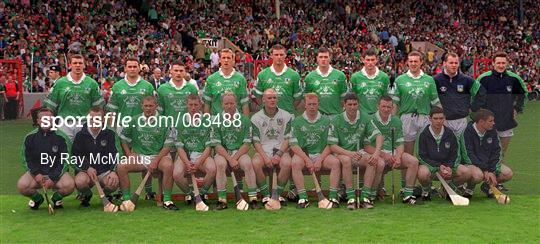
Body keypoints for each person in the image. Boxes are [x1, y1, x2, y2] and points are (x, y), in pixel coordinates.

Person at [106, 57, 156, 199]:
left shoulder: (147, 86)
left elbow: (152, 107)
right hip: (122, 128)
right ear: (125, 68)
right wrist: (111, 129)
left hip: (143, 127)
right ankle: (122, 191)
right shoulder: (117, 86)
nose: (132, 69)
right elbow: (111, 111)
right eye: (130, 66)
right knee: (122, 159)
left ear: (139, 68)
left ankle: (148, 190)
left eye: (135, 66)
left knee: (145, 156)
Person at [117, 96, 178, 210]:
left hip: (159, 156)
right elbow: (123, 137)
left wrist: (156, 160)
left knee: (169, 165)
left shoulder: (165, 120)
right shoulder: (134, 120)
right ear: (142, 106)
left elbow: (168, 145)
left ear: (156, 106)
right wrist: (129, 154)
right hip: (141, 157)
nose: (148, 108)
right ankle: (126, 199)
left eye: (151, 106)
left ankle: (167, 200)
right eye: (146, 106)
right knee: (121, 167)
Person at [329, 93, 384, 209]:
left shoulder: (365, 117)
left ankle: (365, 197)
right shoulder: (336, 119)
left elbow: (379, 135)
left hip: (359, 152)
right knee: (346, 160)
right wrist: (349, 153)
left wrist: (376, 153)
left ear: (358, 104)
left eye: (355, 104)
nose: (352, 107)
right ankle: (351, 197)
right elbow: (332, 145)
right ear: (344, 105)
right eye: (349, 104)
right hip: (342, 153)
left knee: (372, 161)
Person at [289, 93, 341, 208]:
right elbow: (293, 145)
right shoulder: (296, 121)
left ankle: (332, 197)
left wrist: (319, 160)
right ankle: (303, 198)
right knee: (295, 162)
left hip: (322, 155)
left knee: (335, 163)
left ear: (318, 105)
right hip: (304, 155)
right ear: (305, 105)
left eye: (314, 104)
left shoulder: (327, 120)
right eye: (309, 104)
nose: (312, 107)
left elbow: (330, 144)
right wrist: (307, 159)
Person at [17, 107, 74, 210]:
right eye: (43, 119)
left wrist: (52, 178)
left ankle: (56, 198)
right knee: (22, 185)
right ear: (38, 121)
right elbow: (26, 159)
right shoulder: (30, 137)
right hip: (38, 174)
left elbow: (65, 161)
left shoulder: (62, 137)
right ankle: (37, 199)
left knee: (69, 185)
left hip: (56, 174)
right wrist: (36, 173)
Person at [476, 52, 527, 164]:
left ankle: (496, 179)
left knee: (501, 153)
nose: (501, 65)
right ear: (493, 63)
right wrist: (478, 114)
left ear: (507, 63)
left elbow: (523, 94)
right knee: (485, 152)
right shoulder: (484, 78)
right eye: (498, 63)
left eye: (503, 63)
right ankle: (484, 177)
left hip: (507, 122)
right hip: (487, 124)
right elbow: (475, 97)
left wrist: (517, 109)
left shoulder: (514, 79)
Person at [369, 96, 420, 204]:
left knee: (413, 161)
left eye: (389, 107)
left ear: (392, 108)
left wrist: (398, 157)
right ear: (378, 106)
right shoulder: (370, 119)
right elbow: (366, 145)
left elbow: (400, 143)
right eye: (383, 106)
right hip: (376, 153)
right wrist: (383, 155)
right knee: (380, 163)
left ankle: (407, 195)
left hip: (393, 154)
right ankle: (372, 195)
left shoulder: (396, 120)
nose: (386, 109)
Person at [213, 92, 259, 209]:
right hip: (223, 153)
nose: (229, 106)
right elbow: (217, 145)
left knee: (248, 164)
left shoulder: (245, 120)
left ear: (236, 103)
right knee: (220, 164)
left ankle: (253, 199)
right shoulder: (216, 120)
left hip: (239, 152)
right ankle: (222, 200)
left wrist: (234, 158)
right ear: (222, 104)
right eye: (226, 103)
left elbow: (247, 143)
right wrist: (229, 159)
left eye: (232, 103)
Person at [43, 54, 105, 139]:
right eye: (75, 63)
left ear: (84, 65)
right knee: (65, 150)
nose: (78, 65)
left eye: (80, 63)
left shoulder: (92, 83)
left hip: (85, 123)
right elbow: (50, 106)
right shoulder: (60, 83)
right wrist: (48, 124)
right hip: (65, 123)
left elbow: (99, 107)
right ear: (70, 65)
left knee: (84, 151)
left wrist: (100, 124)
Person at [390, 51, 440, 155]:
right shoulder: (400, 79)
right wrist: (392, 120)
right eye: (411, 61)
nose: (413, 64)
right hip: (407, 118)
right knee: (407, 153)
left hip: (425, 117)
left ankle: (425, 171)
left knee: (427, 152)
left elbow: (436, 101)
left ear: (421, 62)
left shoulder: (429, 80)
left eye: (416, 61)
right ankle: (410, 171)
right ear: (407, 62)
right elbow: (394, 103)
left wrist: (442, 118)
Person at [416, 107, 470, 200]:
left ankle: (448, 189)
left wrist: (449, 166)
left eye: (441, 118)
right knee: (422, 173)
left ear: (444, 118)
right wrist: (438, 166)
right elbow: (421, 156)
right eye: (435, 118)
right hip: (431, 168)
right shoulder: (423, 134)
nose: (438, 121)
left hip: (447, 168)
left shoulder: (450, 133)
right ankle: (427, 190)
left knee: (466, 172)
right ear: (430, 119)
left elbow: (456, 154)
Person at [172, 94, 217, 207]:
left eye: (196, 105)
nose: (193, 107)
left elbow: (209, 147)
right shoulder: (180, 121)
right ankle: (190, 194)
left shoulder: (207, 120)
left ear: (200, 105)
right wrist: (187, 162)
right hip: (185, 156)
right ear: (186, 105)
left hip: (203, 155)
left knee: (212, 169)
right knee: (177, 174)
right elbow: (180, 147)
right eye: (190, 105)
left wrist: (198, 163)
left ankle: (201, 193)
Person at [251, 88, 293, 207]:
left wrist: (279, 154)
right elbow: (256, 142)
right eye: (269, 98)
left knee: (287, 163)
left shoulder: (286, 116)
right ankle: (265, 195)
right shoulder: (255, 118)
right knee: (255, 163)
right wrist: (265, 158)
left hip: (281, 149)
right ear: (263, 100)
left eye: (274, 97)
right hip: (263, 151)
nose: (272, 100)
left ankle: (276, 195)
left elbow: (287, 138)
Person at [72, 107, 120, 207]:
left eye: (97, 119)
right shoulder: (80, 135)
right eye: (91, 119)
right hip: (86, 172)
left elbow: (115, 154)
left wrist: (113, 171)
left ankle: (105, 195)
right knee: (80, 182)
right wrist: (87, 167)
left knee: (113, 183)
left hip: (104, 171)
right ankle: (87, 195)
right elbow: (75, 156)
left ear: (103, 120)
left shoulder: (110, 134)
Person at [461, 109, 513, 198]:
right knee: (478, 175)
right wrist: (485, 170)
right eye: (490, 121)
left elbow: (497, 152)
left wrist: (492, 171)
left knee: (507, 173)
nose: (493, 123)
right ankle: (470, 188)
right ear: (481, 121)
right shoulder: (467, 132)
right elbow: (468, 155)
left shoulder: (492, 131)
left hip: (488, 165)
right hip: (471, 164)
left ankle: (487, 186)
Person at [434, 52, 485, 135]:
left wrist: (473, 108)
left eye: (456, 63)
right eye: (451, 63)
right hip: (443, 122)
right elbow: (429, 98)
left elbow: (482, 93)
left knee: (462, 147)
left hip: (461, 121)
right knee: (443, 147)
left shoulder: (467, 80)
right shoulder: (436, 80)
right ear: (444, 63)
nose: (454, 65)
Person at [253, 44, 302, 114]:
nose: (279, 57)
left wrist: (288, 109)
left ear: (285, 55)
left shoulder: (294, 75)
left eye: (281, 55)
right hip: (267, 117)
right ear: (271, 55)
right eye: (276, 55)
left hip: (287, 117)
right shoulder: (262, 75)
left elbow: (298, 98)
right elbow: (258, 97)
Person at [203, 48, 249, 115]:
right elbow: (207, 103)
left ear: (233, 60)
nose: (226, 60)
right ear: (219, 60)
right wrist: (206, 121)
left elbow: (244, 103)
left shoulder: (241, 79)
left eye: (228, 58)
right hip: (217, 122)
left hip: (236, 121)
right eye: (223, 58)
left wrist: (246, 122)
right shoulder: (211, 79)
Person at [304, 47, 348, 116]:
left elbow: (344, 98)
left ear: (330, 58)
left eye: (326, 57)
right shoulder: (309, 77)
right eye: (321, 57)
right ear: (317, 58)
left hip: (336, 116)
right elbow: (307, 99)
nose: (323, 59)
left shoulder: (340, 76)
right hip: (317, 118)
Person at [349, 49, 391, 114]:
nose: (370, 62)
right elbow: (351, 99)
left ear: (376, 60)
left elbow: (387, 98)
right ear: (363, 60)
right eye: (368, 60)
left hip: (379, 116)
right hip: (361, 116)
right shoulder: (355, 77)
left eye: (372, 60)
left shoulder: (384, 77)